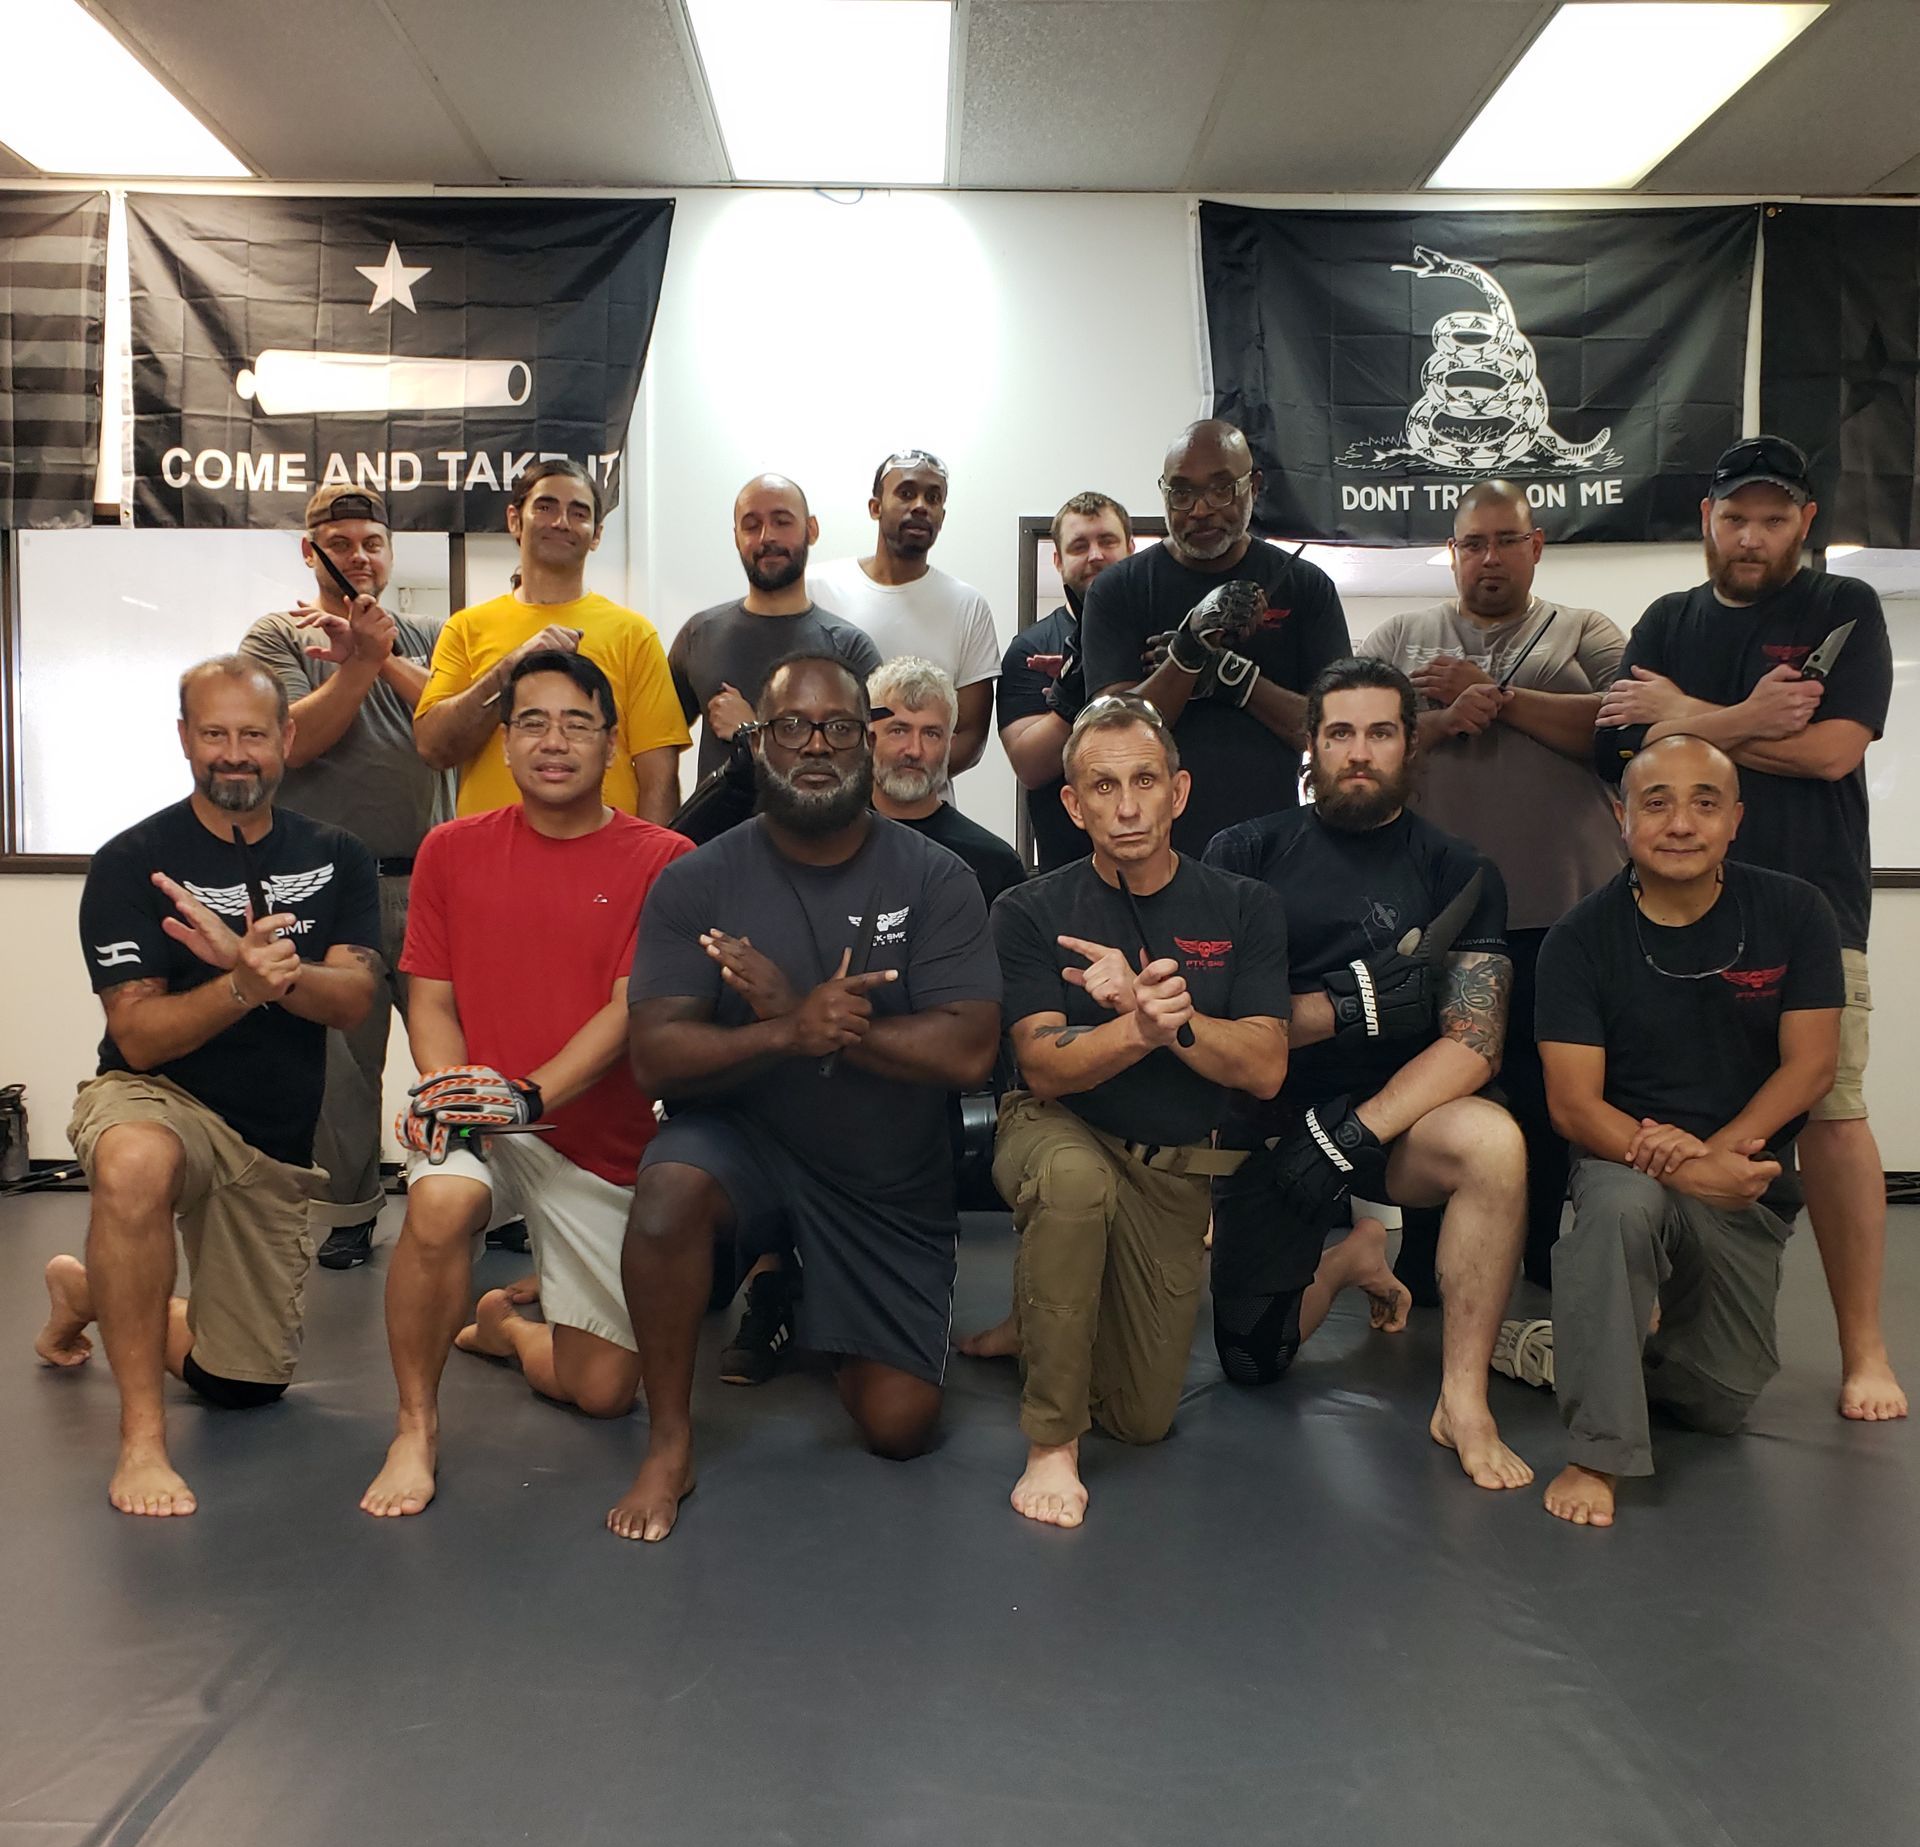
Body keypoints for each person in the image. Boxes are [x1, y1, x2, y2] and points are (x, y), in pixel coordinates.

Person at [606, 654, 1002, 1543]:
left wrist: (820, 1017)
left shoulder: (937, 877)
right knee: (669, 1194)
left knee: (899, 1429)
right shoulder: (696, 879)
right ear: (754, 745)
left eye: (839, 728)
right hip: (745, 1148)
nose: (815, 746)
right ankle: (671, 1441)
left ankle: (810, 1298)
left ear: (867, 744)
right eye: (790, 727)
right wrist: (785, 1030)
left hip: (884, 1175)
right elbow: (656, 1062)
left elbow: (971, 1049)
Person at [1594, 434, 1902, 1423]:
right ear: (1707, 523)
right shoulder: (1668, 619)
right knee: (1666, 1111)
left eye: (1774, 518)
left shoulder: (1840, 609)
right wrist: (1736, 718)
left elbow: (1831, 752)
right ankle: (1655, 1324)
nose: (1753, 536)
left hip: (1812, 912)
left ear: (1805, 524)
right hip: (1672, 919)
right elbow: (1628, 755)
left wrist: (1688, 718)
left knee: (1835, 1117)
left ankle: (1865, 1350)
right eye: (1737, 518)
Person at [36, 657, 379, 1517]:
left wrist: (269, 970)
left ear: (286, 740)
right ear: (185, 738)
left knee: (242, 1384)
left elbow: (355, 999)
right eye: (215, 734)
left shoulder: (337, 857)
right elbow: (140, 1037)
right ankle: (141, 1444)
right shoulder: (132, 862)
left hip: (270, 1145)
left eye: (253, 734)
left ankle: (90, 1290)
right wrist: (239, 986)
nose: (235, 754)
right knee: (133, 1165)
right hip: (160, 1102)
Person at [360, 653, 691, 1518]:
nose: (554, 742)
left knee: (604, 1391)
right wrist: (450, 1090)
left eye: (577, 723)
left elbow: (629, 1007)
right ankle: (415, 1428)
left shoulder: (664, 858)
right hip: (484, 1118)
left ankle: (506, 1327)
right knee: (437, 1208)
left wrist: (530, 1095)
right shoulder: (451, 849)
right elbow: (428, 997)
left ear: (612, 744)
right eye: (532, 723)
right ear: (503, 742)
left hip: (595, 1141)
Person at [1205, 658, 1532, 1493]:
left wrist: (1355, 1134)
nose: (1360, 751)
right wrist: (1347, 1005)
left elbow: (1475, 1042)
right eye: (1340, 732)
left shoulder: (1459, 870)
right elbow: (1227, 1022)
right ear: (1311, 744)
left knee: (1496, 1144)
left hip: (1400, 1123)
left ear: (1410, 744)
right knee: (1254, 1360)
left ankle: (1463, 1399)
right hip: (1273, 1119)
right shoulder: (1245, 852)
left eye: (1380, 732)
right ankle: (1352, 1256)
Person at [964, 695, 1289, 1528]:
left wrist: (1166, 1023)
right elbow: (1041, 1067)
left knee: (1142, 1421)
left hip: (1171, 1170)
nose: (1128, 806)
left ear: (1179, 791)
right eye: (1103, 787)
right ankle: (1051, 1443)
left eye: (1145, 780)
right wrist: (1139, 1029)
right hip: (1056, 1131)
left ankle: (1032, 1321)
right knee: (1073, 1186)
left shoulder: (1245, 906)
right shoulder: (1031, 910)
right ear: (1072, 805)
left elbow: (1263, 1068)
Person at [1535, 735, 1843, 1526]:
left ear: (1735, 820)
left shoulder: (1796, 912)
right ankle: (1596, 1452)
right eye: (1657, 801)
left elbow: (1809, 1068)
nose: (1681, 823)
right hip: (1623, 1159)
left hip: (1740, 1174)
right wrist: (1672, 1164)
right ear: (1621, 816)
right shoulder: (1578, 937)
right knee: (1621, 1210)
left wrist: (1710, 1157)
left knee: (1719, 1401)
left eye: (1704, 803)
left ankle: (1572, 1345)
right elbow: (1574, 1106)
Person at [1359, 480, 1626, 1289]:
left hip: (1565, 910)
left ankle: (1543, 1251)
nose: (1489, 557)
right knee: (1430, 1084)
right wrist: (1439, 719)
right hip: (1437, 916)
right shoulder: (1402, 632)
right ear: (1452, 553)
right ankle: (1426, 1252)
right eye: (1473, 543)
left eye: (1506, 539)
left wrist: (1501, 701)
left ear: (1536, 545)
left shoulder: (1587, 630)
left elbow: (1624, 725)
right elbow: (1357, 746)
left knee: (1551, 1091)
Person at [239, 484, 442, 1271]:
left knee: (454, 1050)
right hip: (328, 888)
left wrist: (377, 651)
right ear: (311, 548)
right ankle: (350, 1212)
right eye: (344, 542)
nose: (361, 557)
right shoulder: (277, 638)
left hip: (428, 879)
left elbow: (454, 726)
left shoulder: (425, 633)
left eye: (374, 543)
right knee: (342, 1068)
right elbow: (295, 743)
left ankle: (475, 1203)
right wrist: (356, 666)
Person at [1078, 420, 1351, 854]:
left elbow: (1332, 734)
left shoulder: (1306, 587)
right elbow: (1112, 735)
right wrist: (1188, 651)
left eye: (1221, 489)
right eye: (1182, 493)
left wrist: (1233, 679)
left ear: (1253, 487)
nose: (1201, 509)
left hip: (1272, 847)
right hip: (1148, 849)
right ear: (1164, 493)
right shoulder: (1117, 590)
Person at [414, 457, 689, 824]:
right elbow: (435, 748)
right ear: (515, 520)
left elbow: (659, 778)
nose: (561, 522)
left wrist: (653, 873)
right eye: (545, 507)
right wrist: (511, 667)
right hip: (493, 863)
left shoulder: (633, 634)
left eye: (579, 512)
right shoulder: (465, 628)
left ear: (596, 535)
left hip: (603, 867)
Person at [668, 472, 881, 782]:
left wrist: (751, 733)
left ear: (811, 529)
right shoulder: (699, 635)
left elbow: (873, 760)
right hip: (716, 830)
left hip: (819, 829)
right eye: (751, 526)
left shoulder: (848, 648)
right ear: (736, 537)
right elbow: (656, 748)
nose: (767, 537)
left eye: (782, 521)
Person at [809, 450, 999, 777]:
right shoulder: (818, 588)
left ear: (942, 514)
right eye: (906, 493)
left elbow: (971, 735)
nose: (921, 506)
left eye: (933, 497)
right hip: (833, 808)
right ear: (875, 507)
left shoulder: (968, 605)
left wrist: (906, 787)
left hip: (927, 816)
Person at [997, 490, 1132, 873]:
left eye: (1107, 541)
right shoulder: (1030, 649)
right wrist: (1074, 691)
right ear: (1057, 560)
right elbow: (1030, 766)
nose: (1095, 556)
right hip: (1068, 869)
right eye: (1078, 546)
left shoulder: (1161, 638)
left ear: (1130, 548)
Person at [869, 656, 1026, 907]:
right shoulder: (829, 844)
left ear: (950, 745)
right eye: (899, 730)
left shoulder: (994, 864)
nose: (914, 750)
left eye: (931, 734)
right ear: (869, 738)